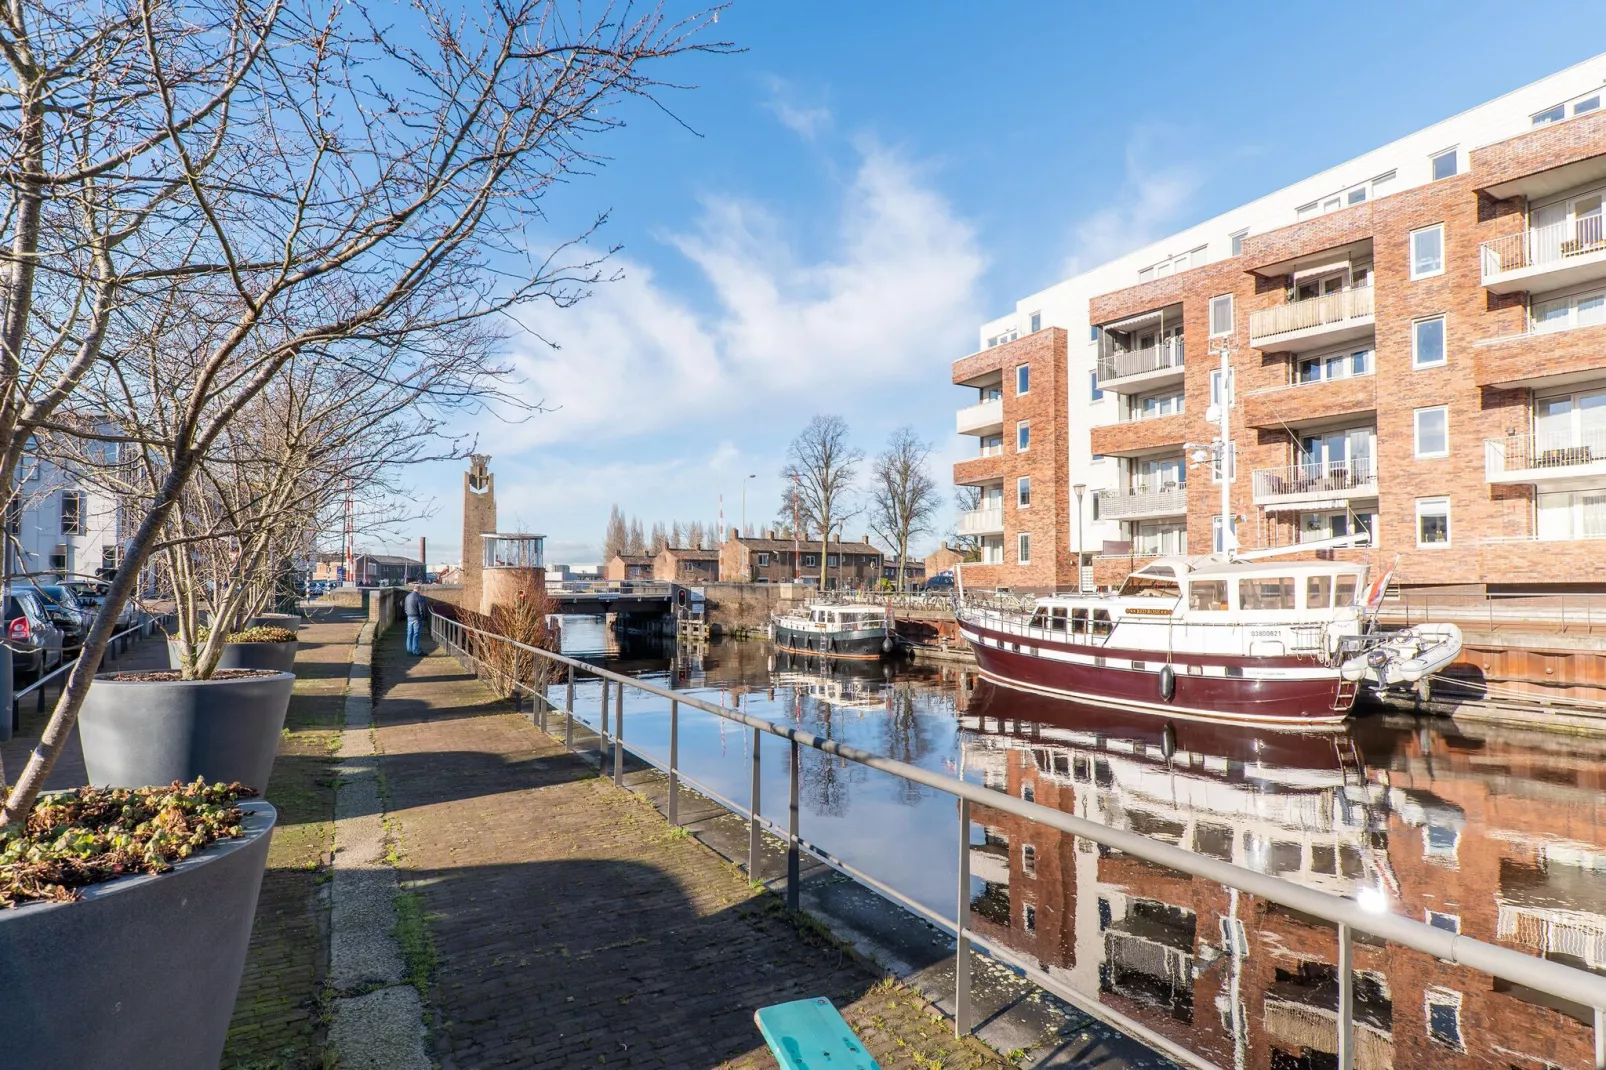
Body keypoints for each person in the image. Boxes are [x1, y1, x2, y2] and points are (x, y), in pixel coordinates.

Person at [404, 583, 426, 655]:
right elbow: (421, 609)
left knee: (409, 634)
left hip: (409, 617)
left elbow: (405, 608)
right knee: (416, 634)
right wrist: (422, 617)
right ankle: (415, 650)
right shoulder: (418, 597)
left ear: (413, 589)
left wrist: (408, 614)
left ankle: (409, 650)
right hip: (416, 617)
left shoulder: (407, 596)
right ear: (419, 589)